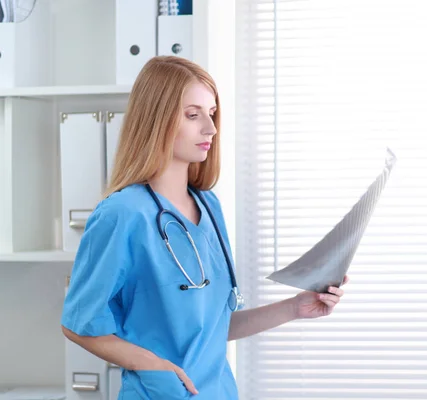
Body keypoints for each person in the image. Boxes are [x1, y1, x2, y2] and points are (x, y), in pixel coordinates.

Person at [60, 56, 348, 400]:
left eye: (211, 114)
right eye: (193, 114)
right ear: (157, 119)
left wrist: (295, 307)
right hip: (160, 394)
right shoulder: (123, 214)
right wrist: (155, 366)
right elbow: (78, 323)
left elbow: (213, 328)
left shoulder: (208, 207)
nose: (210, 128)